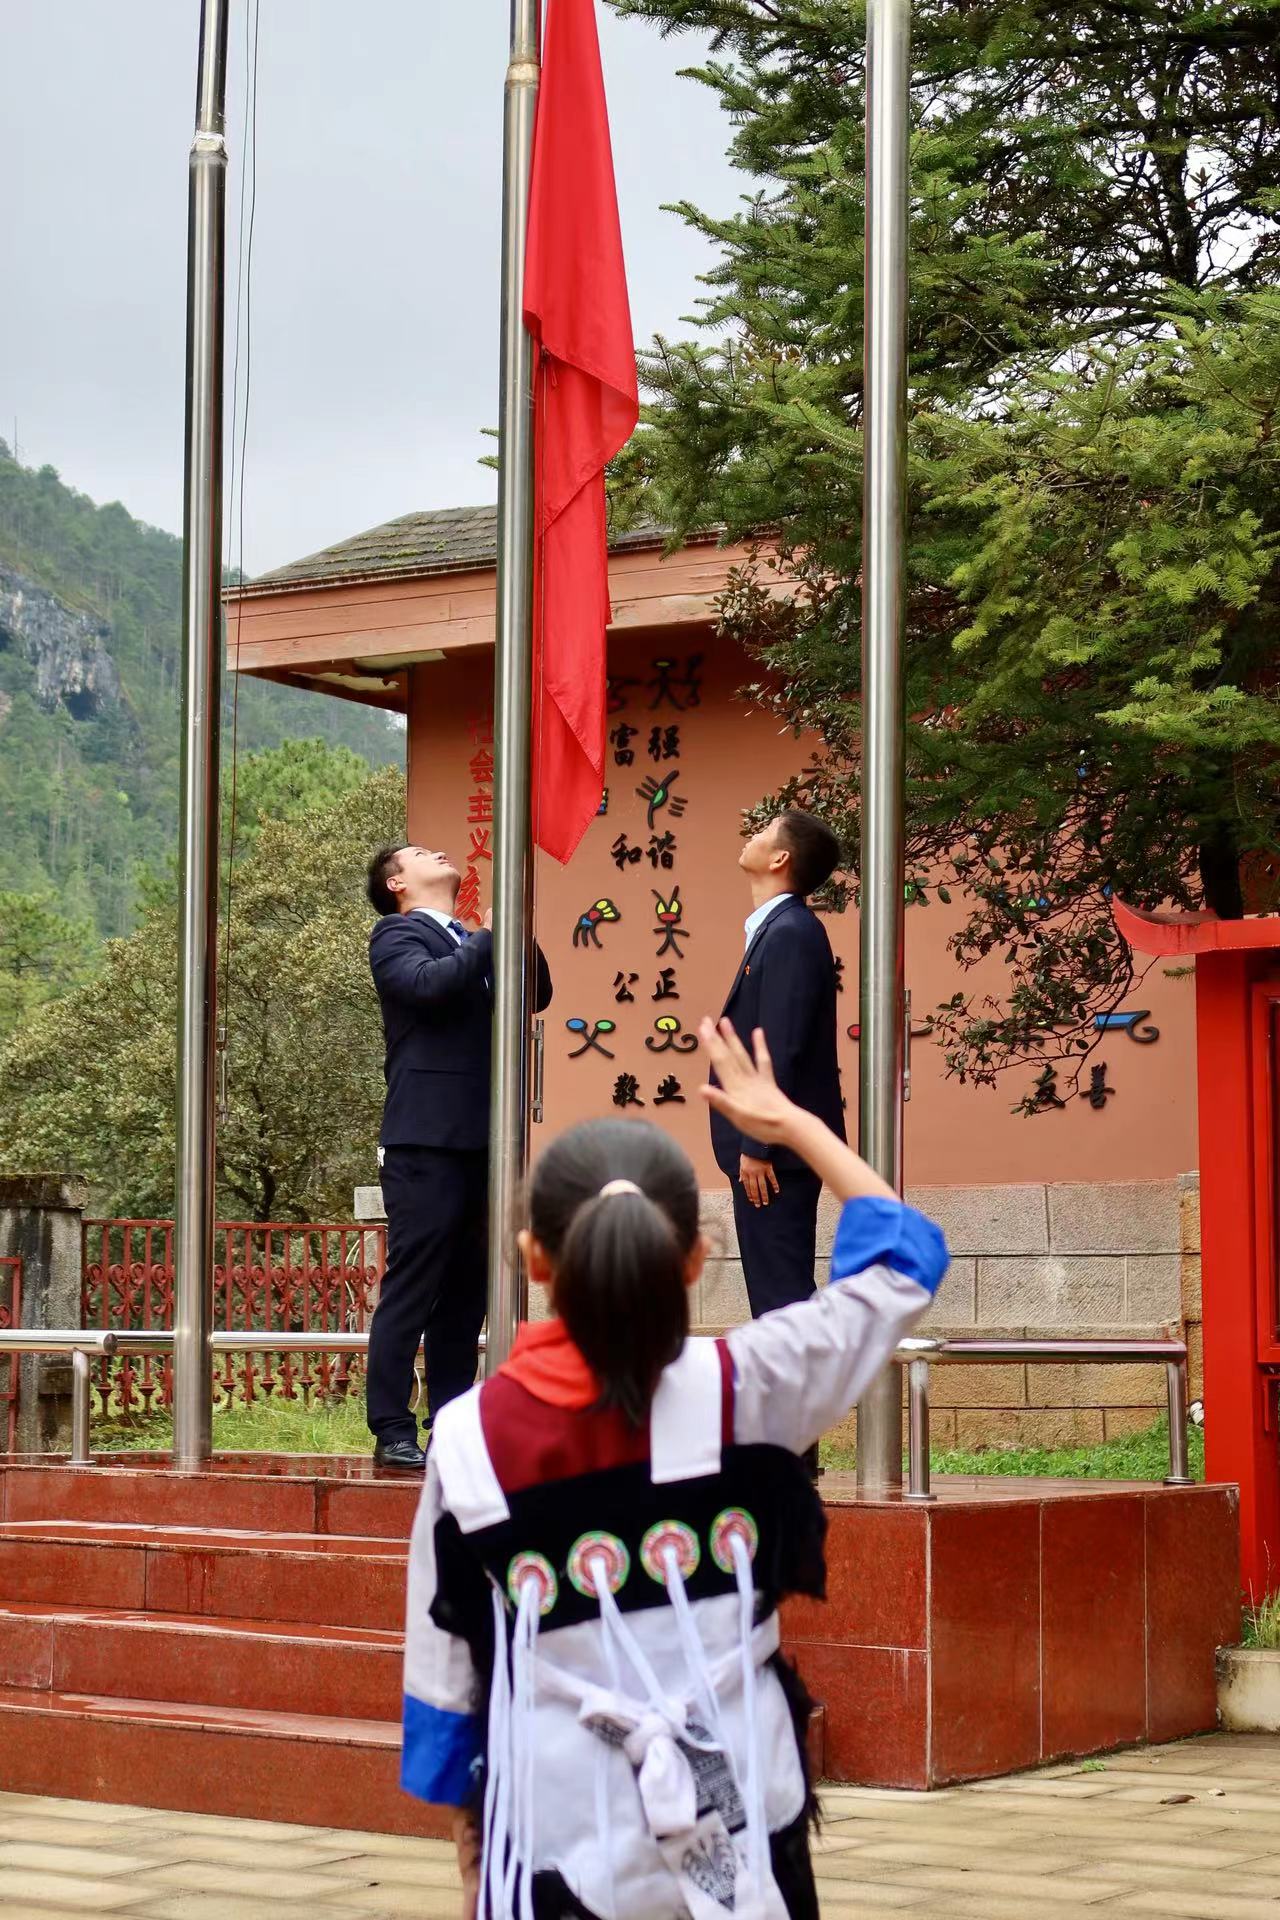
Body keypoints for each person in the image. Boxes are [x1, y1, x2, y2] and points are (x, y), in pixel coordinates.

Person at [401, 1016, 948, 1920]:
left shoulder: (468, 1441)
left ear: (533, 1257)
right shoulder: (755, 1388)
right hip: (744, 1814)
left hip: (553, 1834)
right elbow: (905, 1257)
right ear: (693, 1259)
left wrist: (471, 1855)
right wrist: (794, 1126)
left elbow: (446, 1673)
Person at [365, 842, 552, 1472]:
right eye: (419, 851)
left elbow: (539, 992)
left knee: (468, 1294)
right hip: (425, 1140)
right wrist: (490, 935)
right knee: (414, 1283)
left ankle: (450, 1425)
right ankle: (391, 1425)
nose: (438, 850)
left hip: (486, 1141)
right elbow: (429, 986)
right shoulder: (395, 935)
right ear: (397, 882)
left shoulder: (477, 937)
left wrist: (512, 927)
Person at [711, 811, 846, 1325]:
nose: (752, 836)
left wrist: (758, 1145)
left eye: (763, 833)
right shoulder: (778, 929)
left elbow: (781, 1045)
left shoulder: (789, 932)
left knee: (782, 1305)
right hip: (773, 1154)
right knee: (777, 1304)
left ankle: (805, 1406)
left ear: (780, 858)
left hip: (775, 1159)